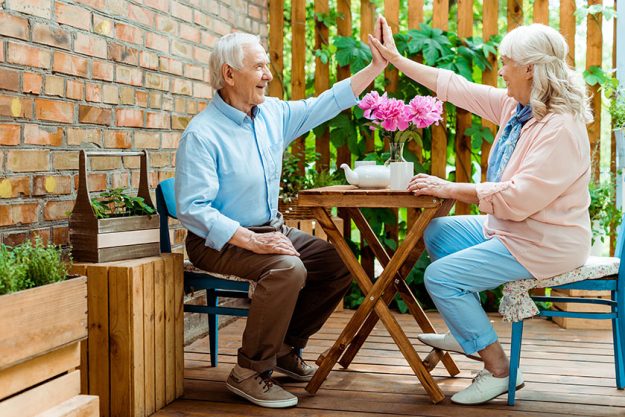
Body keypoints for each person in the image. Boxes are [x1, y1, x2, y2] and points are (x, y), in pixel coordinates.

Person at [370, 18, 592, 404]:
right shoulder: (520, 108)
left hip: (544, 240)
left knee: (441, 278)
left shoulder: (560, 127)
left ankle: (499, 370)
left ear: (529, 68)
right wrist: (396, 59)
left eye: (506, 62)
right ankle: (466, 328)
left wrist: (450, 188)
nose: (500, 69)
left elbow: (519, 198)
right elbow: (456, 88)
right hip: (513, 227)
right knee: (439, 232)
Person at [175, 29, 388, 409]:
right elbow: (194, 208)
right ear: (229, 74)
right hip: (218, 241)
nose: (268, 74)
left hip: (270, 230)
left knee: (341, 263)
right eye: (258, 66)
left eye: (266, 66)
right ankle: (249, 371)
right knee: (287, 269)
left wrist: (375, 67)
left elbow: (326, 102)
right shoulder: (203, 134)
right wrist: (250, 240)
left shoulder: (272, 114)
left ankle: (287, 348)